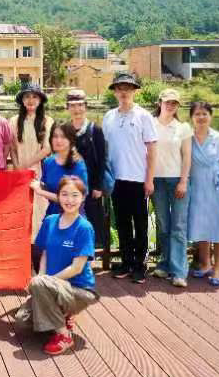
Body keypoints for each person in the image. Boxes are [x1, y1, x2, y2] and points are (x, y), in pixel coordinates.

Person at [13, 176, 98, 355]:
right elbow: (45, 253)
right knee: (22, 320)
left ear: (83, 198)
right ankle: (62, 315)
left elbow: (77, 268)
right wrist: (41, 277)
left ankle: (63, 335)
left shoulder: (84, 227)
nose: (69, 200)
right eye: (64, 194)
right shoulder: (50, 221)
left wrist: (44, 281)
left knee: (39, 284)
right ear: (58, 197)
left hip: (78, 290)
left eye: (75, 195)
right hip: (53, 286)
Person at [102, 73, 157, 284]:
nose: (123, 92)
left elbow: (152, 150)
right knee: (122, 224)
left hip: (138, 179)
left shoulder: (143, 116)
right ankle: (126, 262)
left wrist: (149, 179)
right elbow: (104, 148)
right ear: (115, 92)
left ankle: (140, 265)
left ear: (134, 91)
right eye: (119, 88)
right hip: (116, 180)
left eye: (128, 88)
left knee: (141, 224)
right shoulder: (109, 117)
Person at [187, 102, 219, 287]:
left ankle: (218, 269)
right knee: (201, 226)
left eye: (204, 113)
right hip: (197, 188)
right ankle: (206, 264)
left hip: (217, 188)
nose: (201, 117)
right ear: (191, 117)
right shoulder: (187, 138)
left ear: (210, 116)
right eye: (197, 114)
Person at [151, 89, 192, 288]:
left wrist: (183, 181)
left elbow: (187, 156)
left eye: (174, 103)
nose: (170, 105)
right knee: (163, 224)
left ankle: (178, 272)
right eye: (167, 102)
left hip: (177, 180)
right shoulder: (150, 124)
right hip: (156, 181)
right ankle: (165, 263)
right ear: (160, 102)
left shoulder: (183, 127)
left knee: (178, 227)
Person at [11, 84, 54, 240]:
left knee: (39, 209)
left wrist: (26, 165)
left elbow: (47, 149)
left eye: (35, 97)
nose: (30, 100)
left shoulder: (47, 121)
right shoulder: (14, 121)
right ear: (22, 100)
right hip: (19, 173)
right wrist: (17, 167)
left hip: (39, 172)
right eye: (27, 97)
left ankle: (38, 247)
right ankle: (22, 247)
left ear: (40, 100)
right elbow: (12, 147)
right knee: (20, 209)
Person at [66, 89, 107, 247]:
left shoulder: (95, 130)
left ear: (86, 107)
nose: (77, 109)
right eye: (73, 105)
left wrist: (98, 186)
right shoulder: (64, 130)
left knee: (91, 225)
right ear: (67, 108)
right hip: (69, 186)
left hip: (90, 187)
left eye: (80, 105)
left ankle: (89, 257)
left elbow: (102, 160)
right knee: (70, 223)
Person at [31, 122, 89, 218]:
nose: (58, 140)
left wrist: (41, 192)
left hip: (72, 218)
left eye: (63, 137)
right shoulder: (48, 162)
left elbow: (70, 199)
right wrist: (36, 182)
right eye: (55, 136)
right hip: (52, 216)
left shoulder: (78, 165)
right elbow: (47, 187)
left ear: (71, 140)